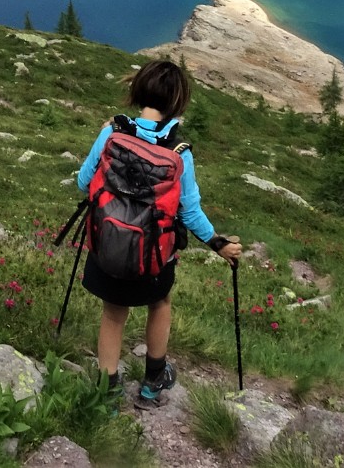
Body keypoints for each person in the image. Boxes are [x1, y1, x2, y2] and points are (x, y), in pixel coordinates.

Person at [76, 59, 242, 408]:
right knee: (160, 302)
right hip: (153, 253)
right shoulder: (178, 151)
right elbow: (189, 211)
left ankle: (107, 394)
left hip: (108, 244)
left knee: (112, 314)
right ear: (177, 103)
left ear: (139, 90)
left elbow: (82, 182)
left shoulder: (113, 131)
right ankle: (152, 384)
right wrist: (218, 243)